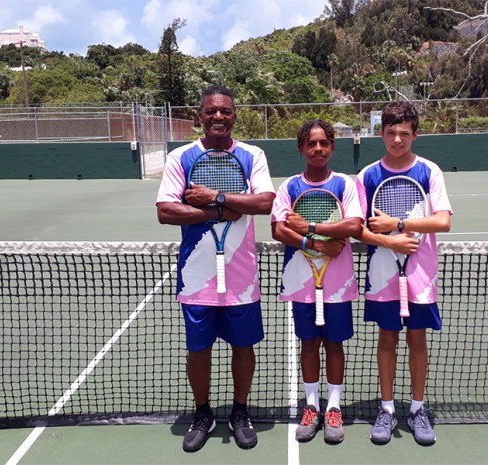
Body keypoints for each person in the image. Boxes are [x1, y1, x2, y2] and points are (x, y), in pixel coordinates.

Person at [156, 85, 275, 452]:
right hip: (196, 278)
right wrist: (220, 209)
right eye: (211, 111)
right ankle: (203, 413)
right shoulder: (180, 158)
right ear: (200, 116)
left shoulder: (252, 155)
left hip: (242, 277)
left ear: (234, 116)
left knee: (243, 346)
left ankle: (240, 412)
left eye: (225, 111)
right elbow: (166, 211)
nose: (218, 117)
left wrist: (214, 196)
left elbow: (264, 203)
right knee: (199, 349)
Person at [354, 101, 452, 445]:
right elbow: (358, 228)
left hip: (421, 275)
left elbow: (442, 221)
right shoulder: (367, 176)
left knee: (417, 339)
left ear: (415, 135)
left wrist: (397, 224)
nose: (397, 139)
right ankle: (386, 408)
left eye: (404, 133)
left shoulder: (429, 171)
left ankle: (417, 409)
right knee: (387, 338)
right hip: (382, 273)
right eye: (391, 133)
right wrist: (389, 241)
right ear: (381, 134)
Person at [271, 120, 363, 444]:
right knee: (309, 343)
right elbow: (279, 230)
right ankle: (311, 406)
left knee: (334, 344)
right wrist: (318, 244)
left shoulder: (344, 184)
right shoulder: (289, 187)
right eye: (311, 143)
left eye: (324, 142)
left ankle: (333, 408)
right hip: (301, 281)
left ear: (332, 147)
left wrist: (308, 226)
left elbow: (353, 225)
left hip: (337, 283)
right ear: (301, 149)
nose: (318, 148)